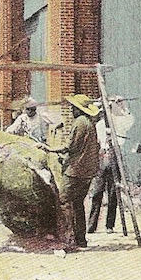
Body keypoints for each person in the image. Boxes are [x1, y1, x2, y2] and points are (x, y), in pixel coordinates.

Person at [41, 94, 100, 249]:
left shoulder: (79, 123)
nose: (71, 110)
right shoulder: (89, 123)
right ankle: (81, 239)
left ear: (78, 109)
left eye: (73, 107)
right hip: (87, 171)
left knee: (64, 201)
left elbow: (69, 146)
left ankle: (69, 238)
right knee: (78, 204)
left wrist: (50, 149)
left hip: (76, 171)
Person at [88, 95, 134, 234]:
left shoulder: (119, 122)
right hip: (103, 156)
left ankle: (109, 225)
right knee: (97, 192)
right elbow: (97, 143)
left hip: (115, 155)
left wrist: (123, 106)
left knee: (113, 192)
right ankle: (92, 225)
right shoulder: (99, 125)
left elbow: (130, 121)